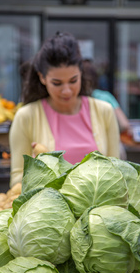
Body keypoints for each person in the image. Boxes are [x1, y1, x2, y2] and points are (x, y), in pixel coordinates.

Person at [9, 32, 120, 188]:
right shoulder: (26, 117)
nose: (66, 91)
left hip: (100, 210)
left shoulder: (104, 112)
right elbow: (18, 179)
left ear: (81, 73)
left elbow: (117, 172)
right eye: (57, 83)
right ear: (42, 78)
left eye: (73, 81)